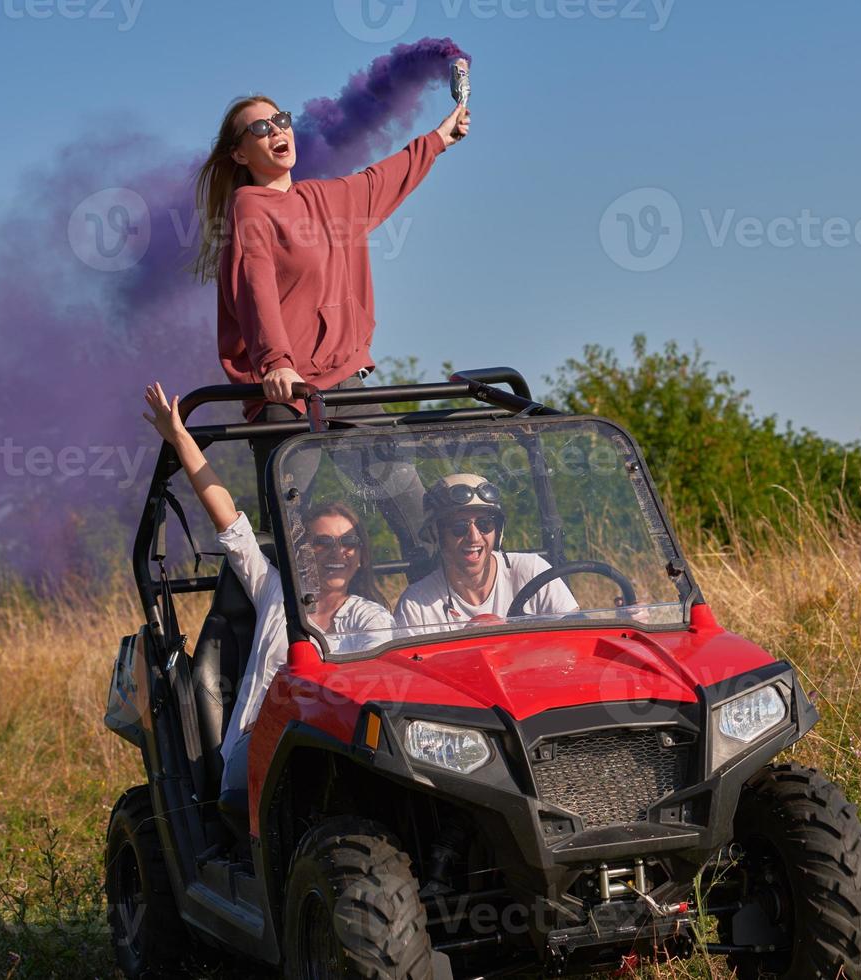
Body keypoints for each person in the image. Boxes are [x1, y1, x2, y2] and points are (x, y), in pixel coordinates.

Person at [189, 91, 470, 541]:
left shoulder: (326, 198)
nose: (276, 130)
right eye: (260, 127)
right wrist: (275, 361)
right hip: (287, 392)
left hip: (345, 380)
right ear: (240, 152)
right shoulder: (250, 208)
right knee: (286, 530)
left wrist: (440, 138)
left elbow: (381, 179)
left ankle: (438, 608)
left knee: (416, 511)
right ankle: (242, 613)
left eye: (280, 119)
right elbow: (255, 288)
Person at [142, 381, 392, 802]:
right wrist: (181, 437)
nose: (336, 552)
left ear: (360, 556)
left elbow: (376, 694)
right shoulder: (274, 590)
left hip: (336, 749)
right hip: (257, 746)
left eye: (347, 543)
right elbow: (227, 518)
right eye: (322, 542)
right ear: (300, 552)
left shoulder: (372, 619)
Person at [394, 474, 579, 636]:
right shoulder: (416, 605)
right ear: (436, 534)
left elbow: (577, 638)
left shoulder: (534, 573)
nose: (474, 537)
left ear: (498, 531)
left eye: (485, 524)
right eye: (459, 527)